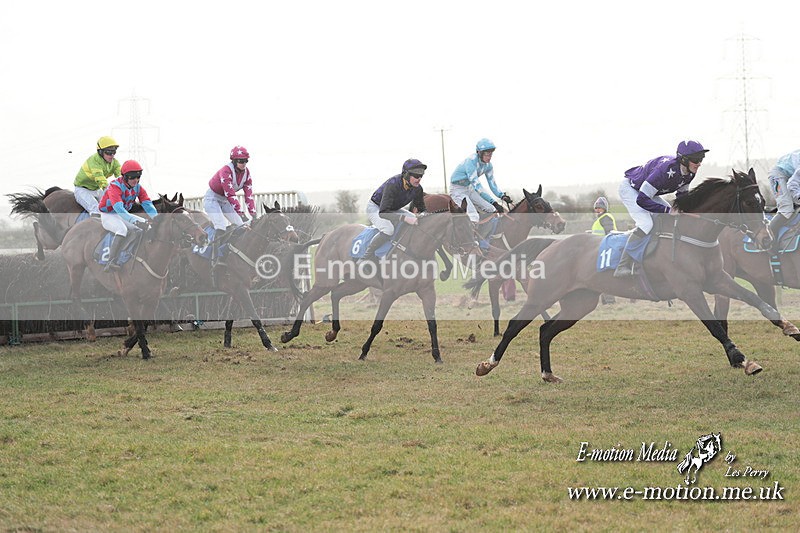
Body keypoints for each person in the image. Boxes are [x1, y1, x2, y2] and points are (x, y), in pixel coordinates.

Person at [614, 140, 709, 277]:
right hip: (631, 189)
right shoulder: (664, 171)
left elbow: (682, 198)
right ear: (683, 159)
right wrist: (668, 211)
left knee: (672, 215)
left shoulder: (690, 173)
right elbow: (641, 199)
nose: (699, 163)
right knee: (646, 224)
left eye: (701, 159)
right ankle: (622, 265)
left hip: (648, 193)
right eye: (696, 159)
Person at [361, 158, 427, 262]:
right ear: (406, 175)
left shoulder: (418, 188)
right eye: (416, 175)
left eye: (421, 175)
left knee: (415, 219)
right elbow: (383, 213)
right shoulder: (392, 184)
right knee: (388, 229)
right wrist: (404, 218)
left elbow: (422, 209)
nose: (419, 178)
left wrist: (425, 215)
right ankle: (365, 257)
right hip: (376, 208)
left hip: (392, 209)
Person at [204, 146, 257, 272]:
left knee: (242, 225)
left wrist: (253, 213)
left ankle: (234, 253)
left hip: (225, 201)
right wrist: (242, 214)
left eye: (245, 161)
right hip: (213, 199)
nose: (243, 164)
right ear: (234, 161)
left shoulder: (247, 174)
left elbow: (248, 195)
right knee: (221, 225)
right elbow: (231, 195)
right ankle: (215, 258)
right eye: (240, 161)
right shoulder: (226, 171)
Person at [97, 160, 157, 271]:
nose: (136, 180)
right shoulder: (114, 187)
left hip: (122, 214)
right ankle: (110, 262)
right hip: (109, 215)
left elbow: (147, 204)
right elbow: (119, 209)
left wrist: (157, 218)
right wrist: (134, 221)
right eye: (132, 177)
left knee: (147, 226)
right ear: (124, 177)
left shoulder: (138, 187)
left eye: (138, 177)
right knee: (122, 230)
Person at [449, 138, 513, 228]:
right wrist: (494, 202)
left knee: (491, 209)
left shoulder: (489, 166)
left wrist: (502, 196)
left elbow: (492, 184)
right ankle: (473, 240)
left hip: (469, 188)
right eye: (487, 154)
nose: (489, 156)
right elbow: (477, 186)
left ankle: (488, 235)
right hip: (457, 189)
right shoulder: (471, 162)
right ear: (479, 152)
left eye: (491, 154)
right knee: (473, 215)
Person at [74, 136, 122, 216]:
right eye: (109, 153)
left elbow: (121, 178)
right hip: (82, 190)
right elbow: (100, 179)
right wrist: (111, 191)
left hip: (96, 190)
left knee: (111, 207)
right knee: (95, 208)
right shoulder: (94, 160)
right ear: (100, 152)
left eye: (114, 152)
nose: (112, 155)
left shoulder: (115, 163)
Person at [767, 149, 800, 254]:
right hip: (779, 175)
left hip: (792, 174)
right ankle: (769, 242)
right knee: (787, 209)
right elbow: (792, 185)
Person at [591, 196, 618, 304]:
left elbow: (609, 233)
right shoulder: (600, 218)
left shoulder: (606, 218)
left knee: (604, 275)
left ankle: (610, 301)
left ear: (604, 208)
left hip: (605, 250)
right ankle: (606, 301)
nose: (597, 210)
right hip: (599, 249)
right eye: (596, 208)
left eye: (599, 208)